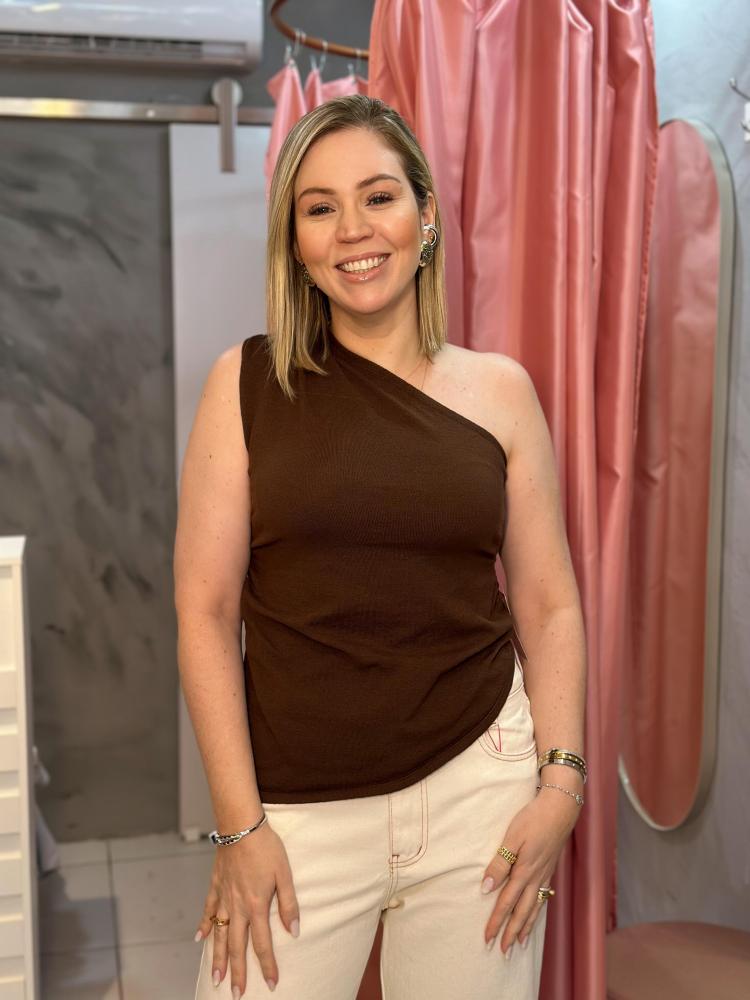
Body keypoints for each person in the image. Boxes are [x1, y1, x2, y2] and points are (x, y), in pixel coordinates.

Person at [175, 94, 587, 1000]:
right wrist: (239, 828)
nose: (353, 230)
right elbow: (204, 614)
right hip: (295, 811)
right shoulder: (244, 384)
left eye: (379, 197)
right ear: (295, 243)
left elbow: (549, 603)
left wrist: (561, 785)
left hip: (481, 791)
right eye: (320, 208)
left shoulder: (502, 392)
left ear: (425, 215)